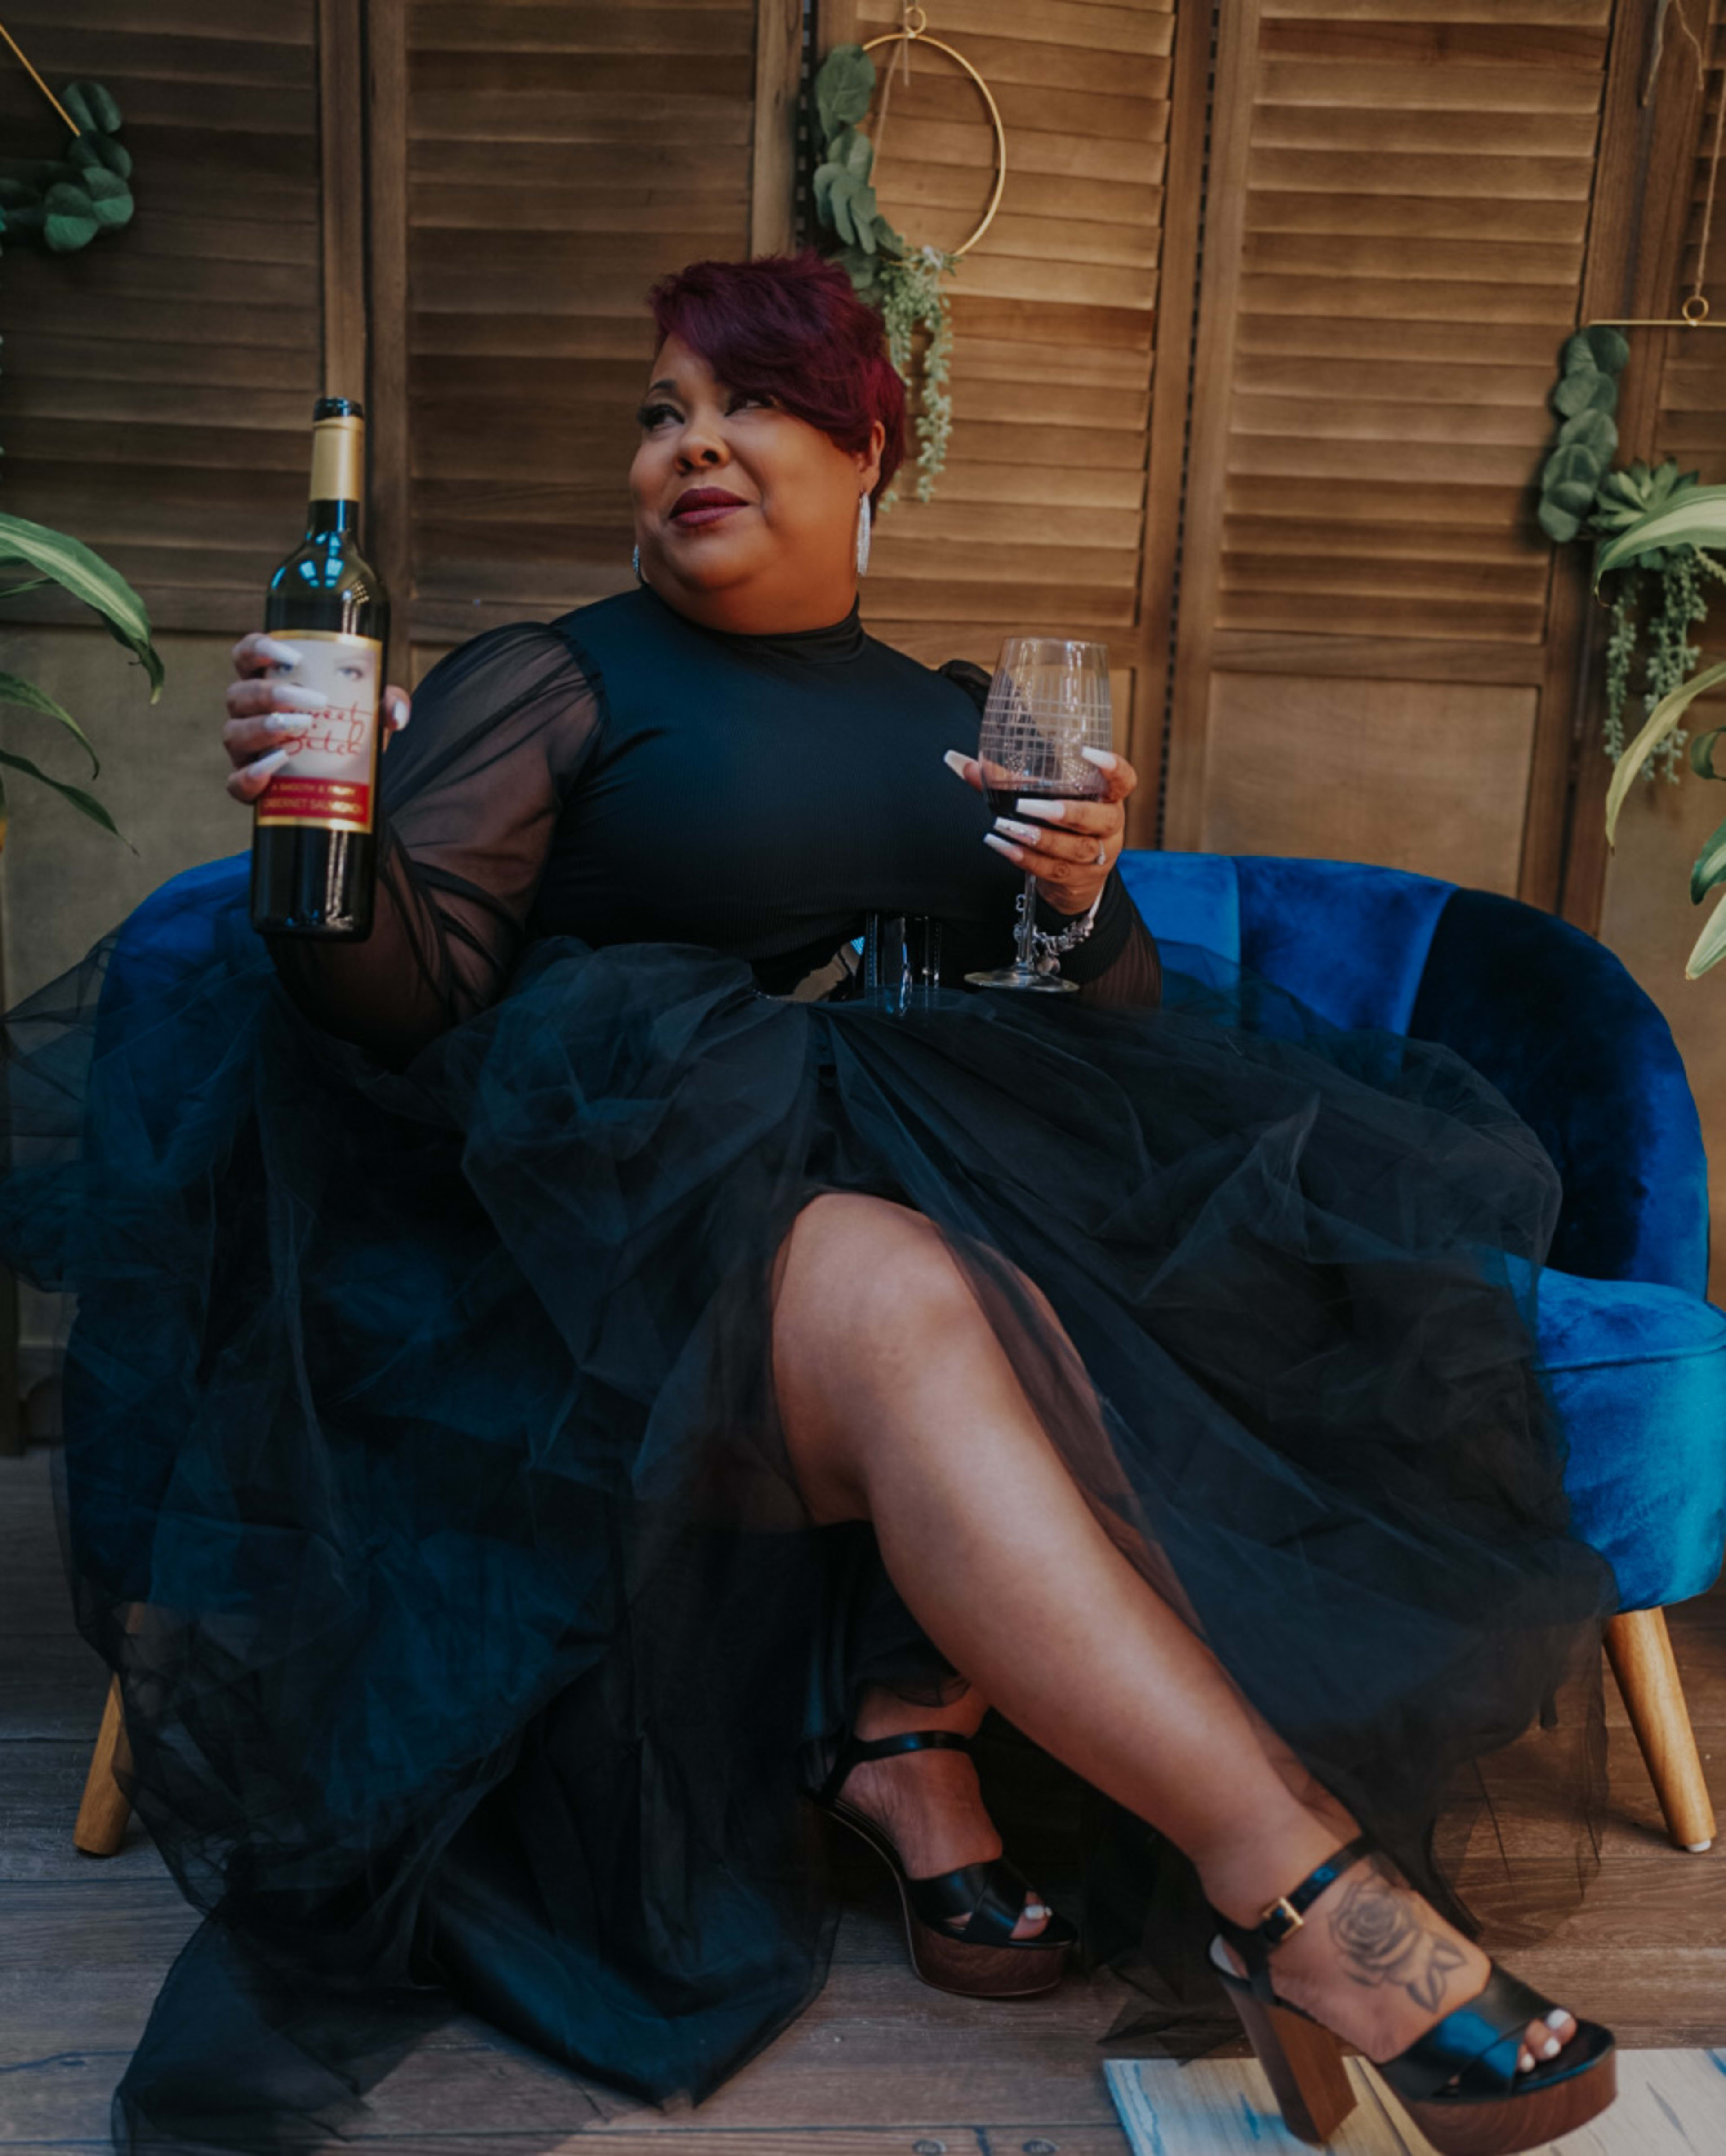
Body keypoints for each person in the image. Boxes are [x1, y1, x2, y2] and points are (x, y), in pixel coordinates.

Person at [0, 253, 1618, 2156]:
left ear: (870, 448)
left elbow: (1097, 1046)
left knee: (1102, 1271)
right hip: (587, 1276)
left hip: (898, 1229)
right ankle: (1306, 1905)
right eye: (661, 411)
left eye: (747, 402)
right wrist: (317, 830)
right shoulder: (559, 676)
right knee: (904, 1289)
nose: (693, 442)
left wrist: (1084, 894)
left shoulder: (955, 709)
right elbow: (404, 994)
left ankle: (905, 1737)